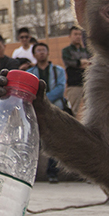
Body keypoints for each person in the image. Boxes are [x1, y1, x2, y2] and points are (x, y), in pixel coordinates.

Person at [31, 41, 66, 182]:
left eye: (43, 50)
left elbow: (60, 88)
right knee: (34, 142)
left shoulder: (59, 71)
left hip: (54, 108)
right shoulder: (30, 73)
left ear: (48, 52)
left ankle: (53, 173)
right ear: (34, 54)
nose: (41, 53)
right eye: (38, 51)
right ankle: (31, 173)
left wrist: (43, 100)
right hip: (35, 111)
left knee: (53, 141)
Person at [61, 26, 91, 120]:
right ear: (70, 36)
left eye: (79, 34)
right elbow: (69, 62)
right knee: (73, 111)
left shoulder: (87, 50)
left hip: (87, 83)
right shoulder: (66, 51)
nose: (78, 36)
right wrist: (80, 62)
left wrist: (81, 63)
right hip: (74, 84)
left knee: (89, 109)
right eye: (75, 34)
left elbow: (91, 62)